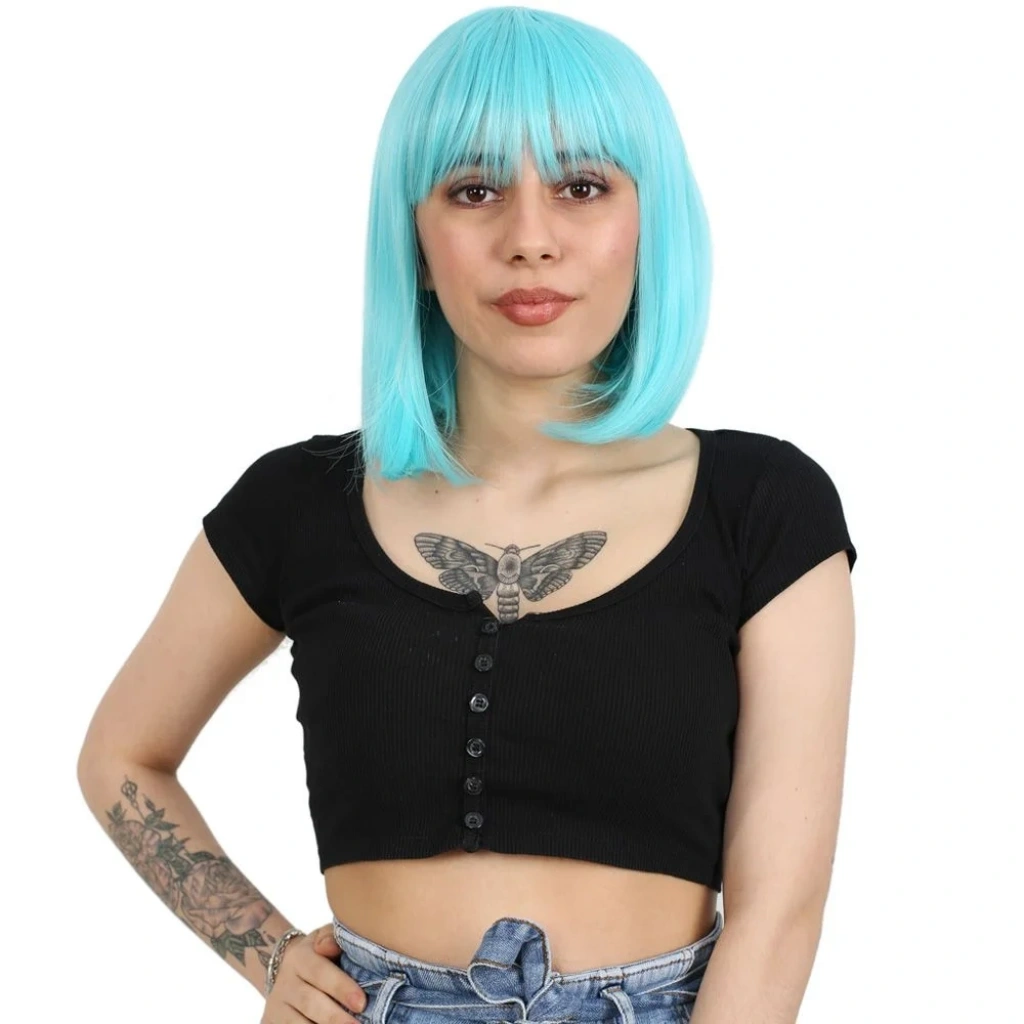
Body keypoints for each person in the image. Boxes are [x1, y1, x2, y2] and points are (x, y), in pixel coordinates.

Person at [77, 7, 857, 1024]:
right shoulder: (298, 503)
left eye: (582, 187)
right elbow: (121, 757)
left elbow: (778, 914)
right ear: (414, 231)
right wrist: (268, 955)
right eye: (475, 190)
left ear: (648, 219)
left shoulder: (763, 508)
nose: (530, 239)